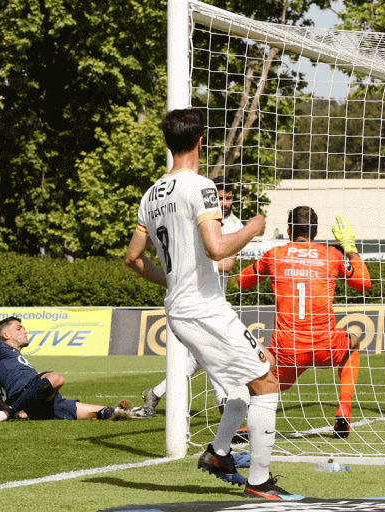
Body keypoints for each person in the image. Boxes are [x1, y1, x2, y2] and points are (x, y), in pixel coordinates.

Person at [125, 108, 301, 500]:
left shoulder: (150, 195)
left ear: (168, 143)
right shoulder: (201, 185)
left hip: (182, 309)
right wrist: (255, 228)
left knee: (250, 379)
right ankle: (259, 483)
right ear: (201, 142)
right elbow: (217, 248)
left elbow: (133, 259)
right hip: (204, 309)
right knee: (266, 382)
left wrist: (171, 281)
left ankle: (219, 454)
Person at [237, 206, 371, 439]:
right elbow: (365, 283)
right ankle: (344, 410)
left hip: (288, 349)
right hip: (324, 345)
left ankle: (246, 424)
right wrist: (350, 249)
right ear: (316, 232)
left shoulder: (274, 255)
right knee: (353, 343)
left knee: (267, 384)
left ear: (289, 230)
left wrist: (265, 269)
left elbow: (241, 281)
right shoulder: (331, 254)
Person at [142, 173, 244, 415]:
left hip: (215, 298)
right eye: (220, 197)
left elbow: (227, 264)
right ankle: (223, 401)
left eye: (229, 198)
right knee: (210, 351)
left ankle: (156, 393)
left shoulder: (235, 225)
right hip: (189, 295)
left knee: (205, 353)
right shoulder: (198, 213)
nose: (225, 202)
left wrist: (190, 260)